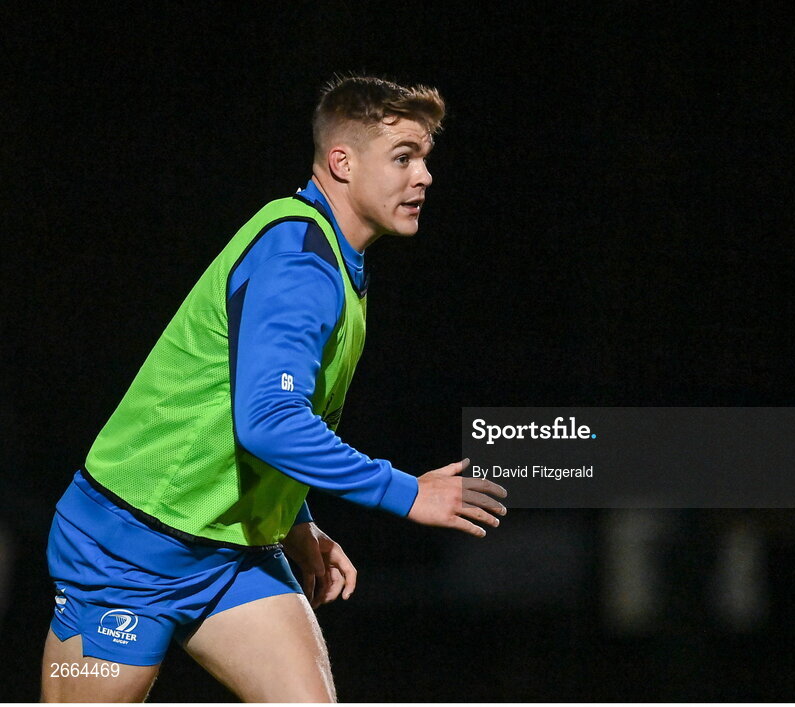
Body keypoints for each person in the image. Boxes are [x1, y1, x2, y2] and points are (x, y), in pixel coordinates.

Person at [40, 74, 508, 702]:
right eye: (403, 157)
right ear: (342, 161)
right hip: (128, 550)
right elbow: (268, 420)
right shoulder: (300, 262)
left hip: (230, 554)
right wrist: (407, 493)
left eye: (424, 158)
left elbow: (273, 409)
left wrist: (291, 518)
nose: (423, 176)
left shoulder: (328, 252)